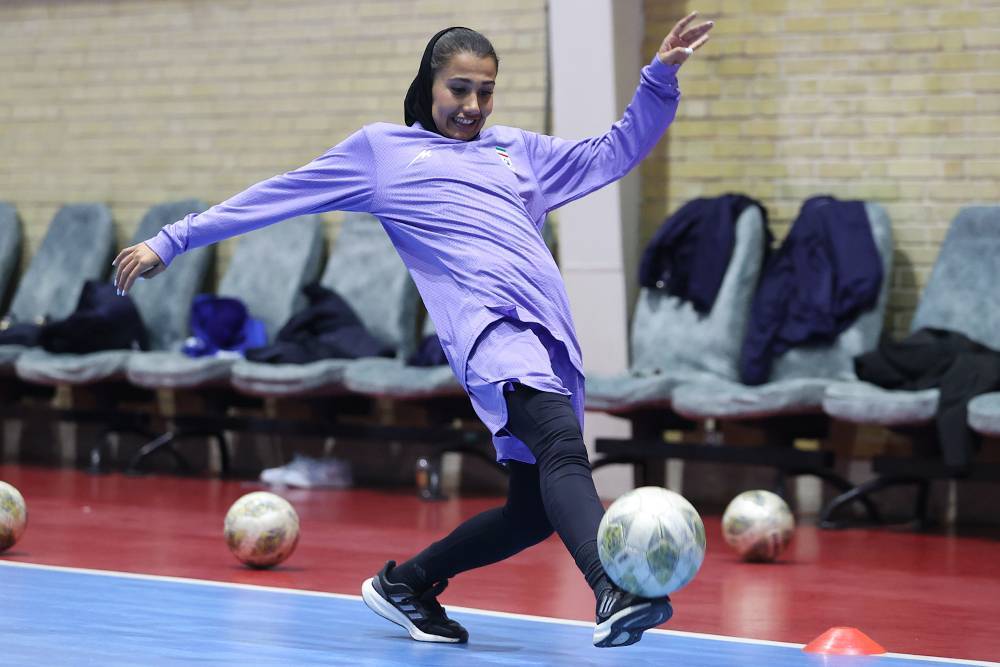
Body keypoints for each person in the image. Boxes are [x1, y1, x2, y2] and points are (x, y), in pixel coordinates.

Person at [113, 14, 713, 648]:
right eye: (459, 89)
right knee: (563, 447)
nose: (473, 105)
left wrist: (659, 77)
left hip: (551, 341)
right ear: (429, 85)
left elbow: (613, 152)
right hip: (491, 339)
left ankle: (407, 586)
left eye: (485, 91)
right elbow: (280, 194)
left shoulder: (516, 151)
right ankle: (613, 591)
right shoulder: (384, 154)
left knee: (532, 513)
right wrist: (171, 241)